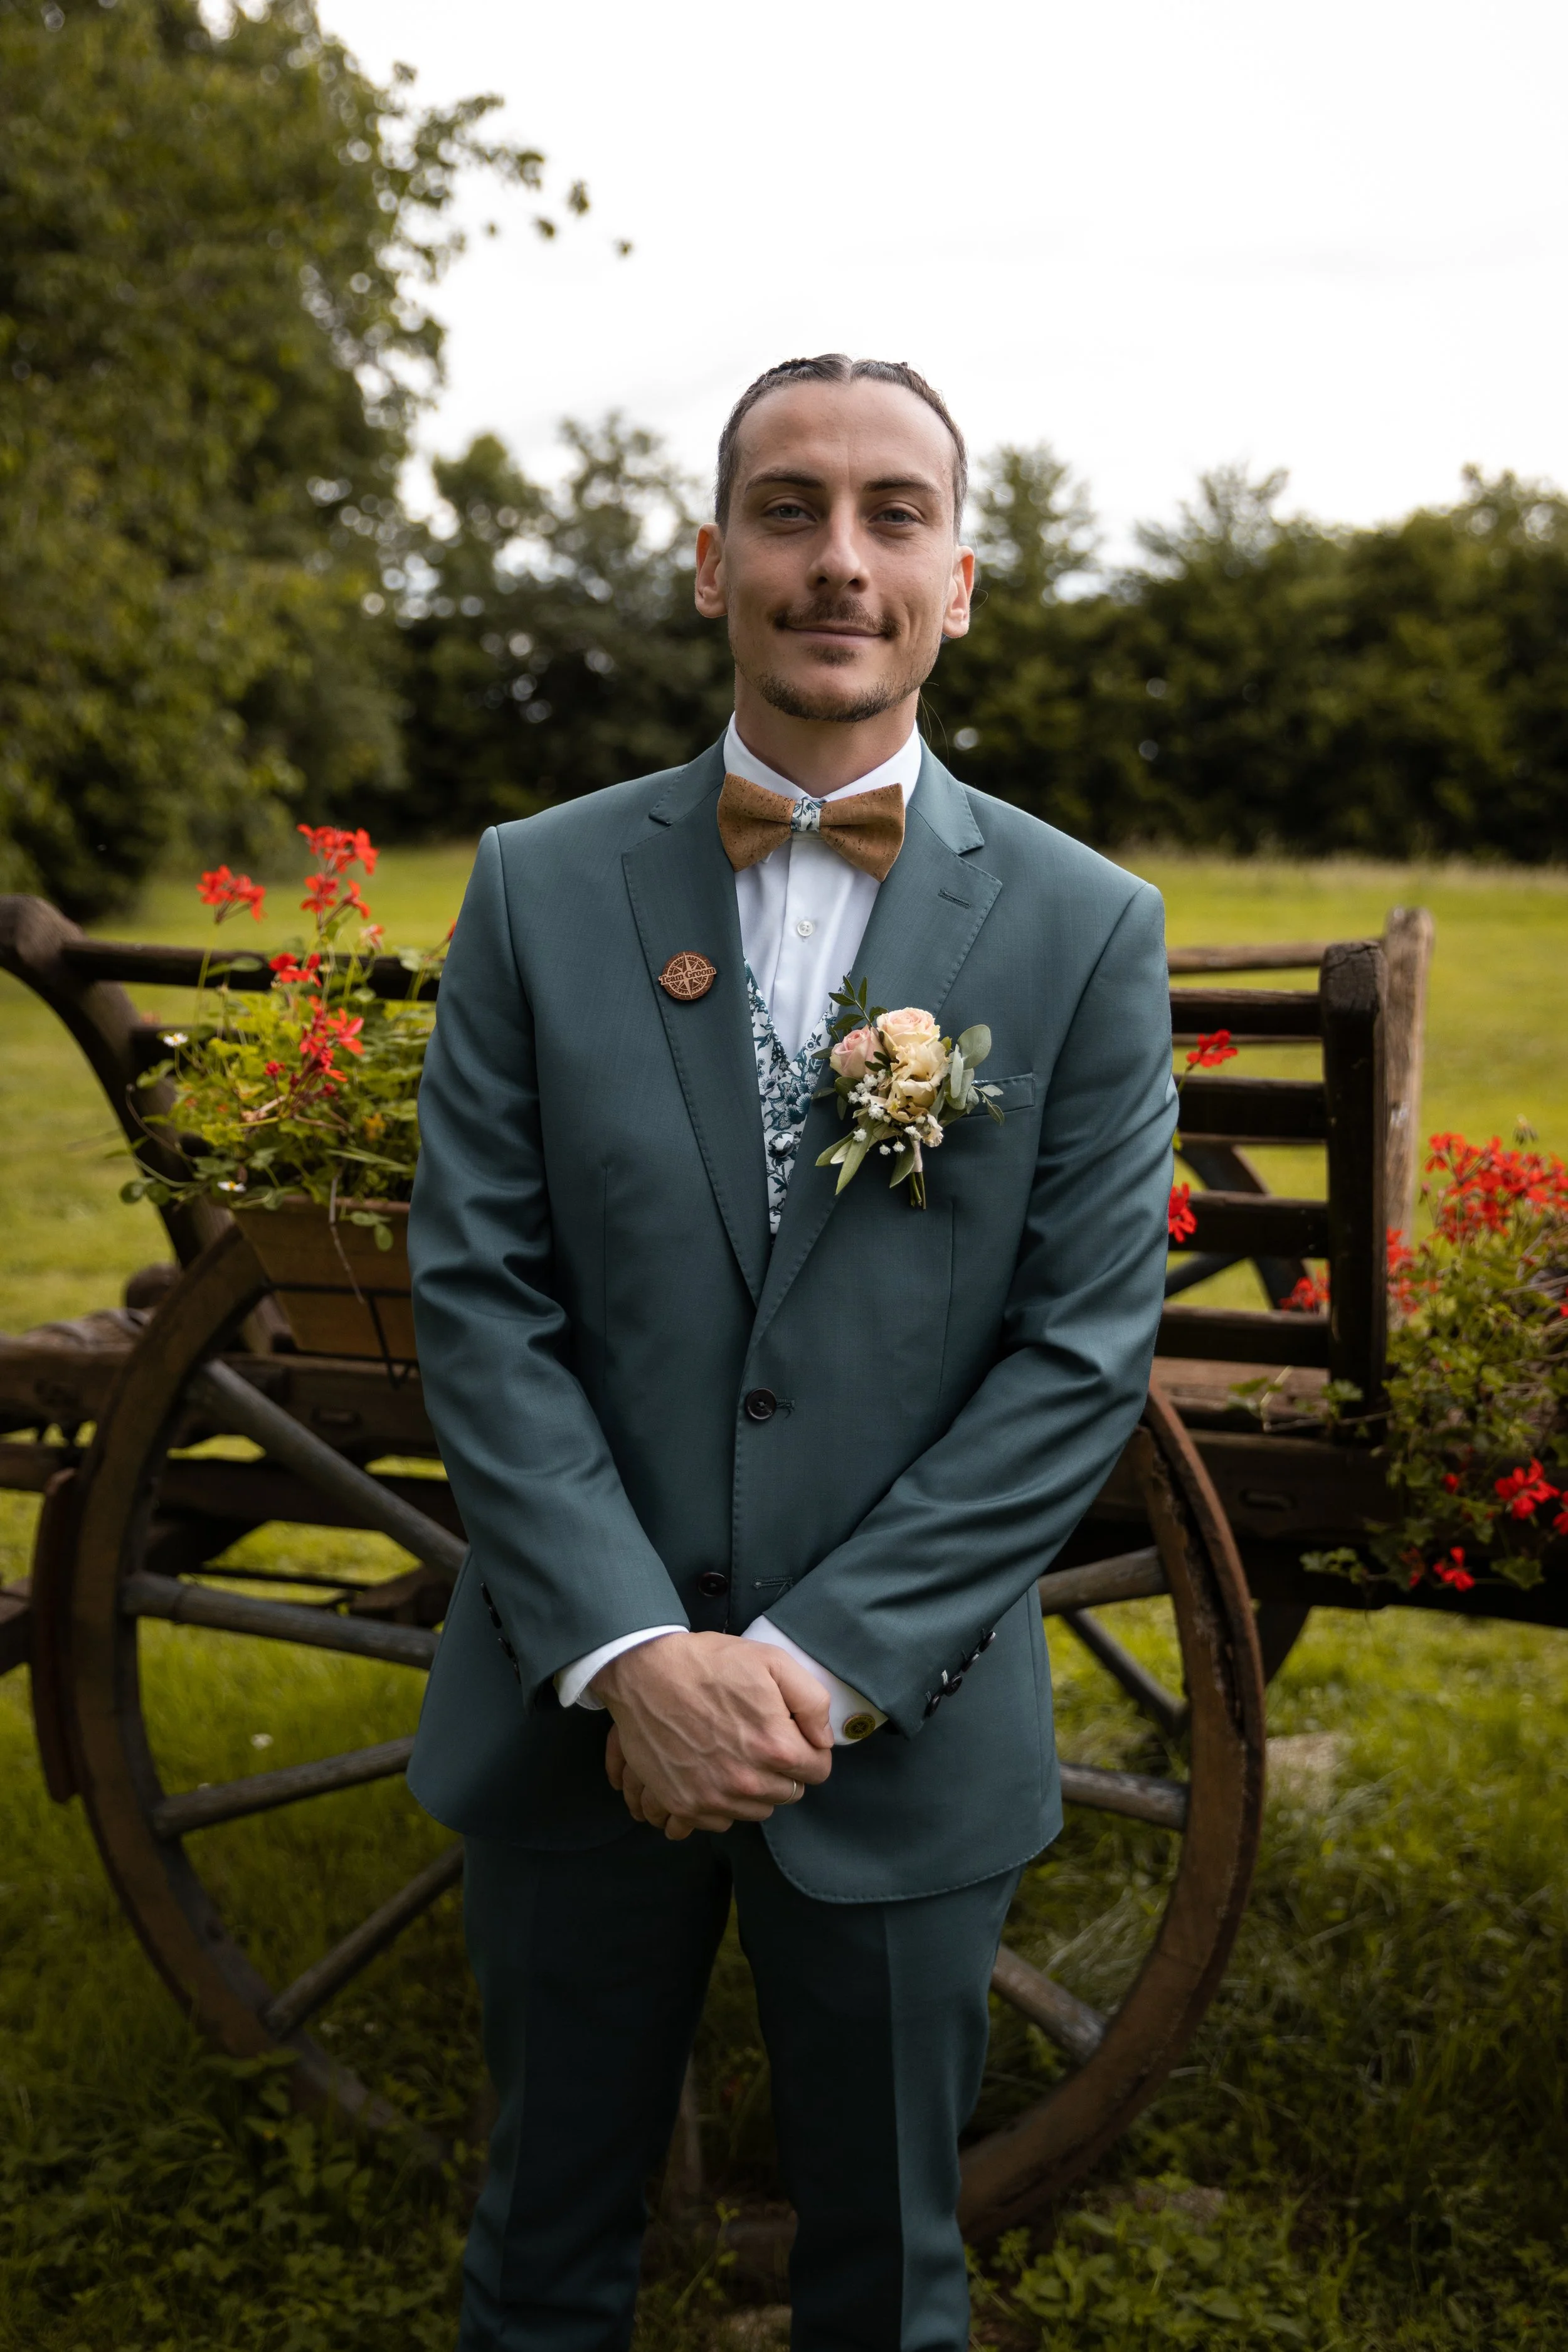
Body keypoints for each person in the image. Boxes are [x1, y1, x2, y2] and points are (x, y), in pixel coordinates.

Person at [408, 353, 1177, 2352]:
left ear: (960, 577)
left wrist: (811, 1666)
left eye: (890, 514)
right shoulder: (536, 882)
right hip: (576, 1714)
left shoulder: (1087, 929)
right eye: (786, 508)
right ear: (706, 563)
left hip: (903, 1733)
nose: (838, 560)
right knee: (537, 2261)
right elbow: (481, 1296)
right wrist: (628, 1653)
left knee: (889, 2285)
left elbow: (1076, 1354)